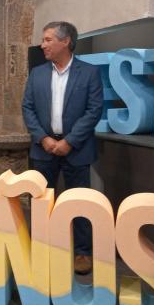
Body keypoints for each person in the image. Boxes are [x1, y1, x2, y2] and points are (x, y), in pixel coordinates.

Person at [22, 21, 103, 275]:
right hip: (43, 148)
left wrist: (69, 141)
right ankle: (42, 247)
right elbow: (28, 108)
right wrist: (44, 138)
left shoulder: (89, 73)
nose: (42, 44)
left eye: (47, 40)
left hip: (76, 149)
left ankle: (82, 253)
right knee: (40, 202)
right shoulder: (37, 73)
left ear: (65, 41)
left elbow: (94, 111)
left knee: (79, 202)